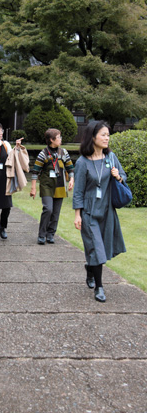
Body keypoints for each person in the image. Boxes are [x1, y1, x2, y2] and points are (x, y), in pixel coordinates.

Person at [73, 120, 126, 303]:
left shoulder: (111, 158)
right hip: (89, 212)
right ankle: (100, 287)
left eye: (108, 135)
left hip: (107, 211)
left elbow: (123, 176)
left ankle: (90, 269)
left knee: (101, 248)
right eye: (103, 134)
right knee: (97, 248)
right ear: (92, 136)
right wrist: (77, 215)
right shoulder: (82, 162)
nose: (107, 138)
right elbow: (78, 191)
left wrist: (117, 176)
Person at [30, 128, 75, 245]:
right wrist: (33, 188)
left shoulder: (63, 152)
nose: (60, 139)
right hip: (47, 185)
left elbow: (70, 168)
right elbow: (35, 172)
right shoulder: (43, 154)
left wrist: (71, 179)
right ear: (51, 139)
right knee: (48, 209)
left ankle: (50, 234)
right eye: (58, 137)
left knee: (56, 212)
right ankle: (41, 234)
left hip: (60, 185)